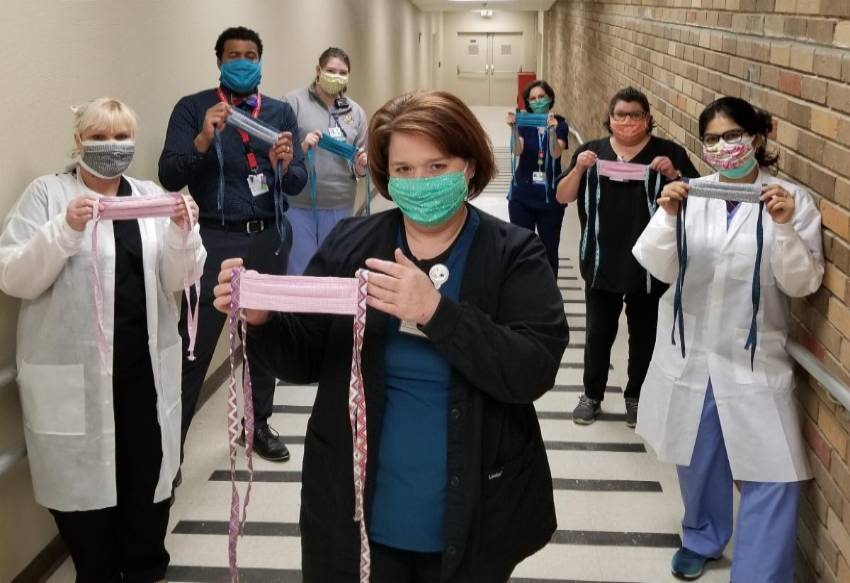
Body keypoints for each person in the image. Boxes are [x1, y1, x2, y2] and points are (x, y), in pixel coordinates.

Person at [212, 90, 569, 583]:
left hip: (473, 509)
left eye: (436, 165)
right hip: (357, 507)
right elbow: (307, 357)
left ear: (469, 166)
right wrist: (263, 321)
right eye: (403, 170)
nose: (419, 181)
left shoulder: (514, 253)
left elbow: (533, 368)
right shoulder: (351, 244)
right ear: (385, 175)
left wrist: (436, 312)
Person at [0, 98, 205, 582]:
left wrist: (182, 231)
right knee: (82, 495)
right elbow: (14, 275)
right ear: (78, 141)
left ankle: (145, 567)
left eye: (120, 138)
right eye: (100, 136)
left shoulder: (149, 196)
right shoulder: (47, 196)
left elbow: (181, 277)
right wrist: (66, 229)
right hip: (78, 375)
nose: (112, 147)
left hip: (144, 371)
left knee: (147, 480)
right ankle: (95, 571)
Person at [633, 96, 823, 581]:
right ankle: (701, 536)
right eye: (712, 139)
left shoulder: (791, 200)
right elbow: (656, 264)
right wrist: (668, 216)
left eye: (733, 136)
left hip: (754, 356)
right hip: (691, 349)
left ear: (757, 138)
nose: (723, 147)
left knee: (774, 471)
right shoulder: (692, 193)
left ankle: (759, 574)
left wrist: (782, 227)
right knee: (696, 455)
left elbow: (801, 283)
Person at [159, 26, 307, 463]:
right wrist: (204, 138)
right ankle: (171, 450)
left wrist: (285, 163)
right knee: (196, 343)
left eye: (250, 54)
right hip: (212, 241)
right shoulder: (193, 108)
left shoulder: (279, 113)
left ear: (261, 61)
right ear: (219, 61)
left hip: (267, 237)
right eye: (233, 55)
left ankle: (257, 425)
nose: (242, 61)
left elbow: (296, 181)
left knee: (262, 336)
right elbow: (169, 174)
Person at [555, 86, 699, 427]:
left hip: (649, 265)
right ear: (610, 119)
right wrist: (578, 168)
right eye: (621, 115)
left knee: (644, 334)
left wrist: (674, 177)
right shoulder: (592, 151)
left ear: (648, 119)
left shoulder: (668, 153)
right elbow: (562, 196)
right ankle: (591, 395)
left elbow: (699, 200)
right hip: (601, 260)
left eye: (636, 115)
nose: (628, 121)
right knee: (598, 333)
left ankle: (637, 397)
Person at [284, 46, 368, 275]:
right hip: (299, 203)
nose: (336, 76)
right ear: (318, 70)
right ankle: (299, 312)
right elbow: (279, 152)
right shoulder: (294, 102)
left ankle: (328, 312)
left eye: (342, 72)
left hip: (340, 202)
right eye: (331, 70)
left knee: (333, 268)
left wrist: (361, 167)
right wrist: (301, 147)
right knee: (301, 271)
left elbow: (360, 161)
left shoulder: (356, 113)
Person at [505, 80, 569, 275]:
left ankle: (548, 295)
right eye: (532, 98)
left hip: (550, 198)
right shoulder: (524, 123)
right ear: (527, 102)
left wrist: (551, 131)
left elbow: (555, 153)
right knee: (522, 249)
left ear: (550, 98)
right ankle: (524, 291)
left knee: (549, 250)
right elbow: (517, 150)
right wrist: (513, 129)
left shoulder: (560, 124)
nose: (537, 101)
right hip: (522, 195)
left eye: (541, 97)